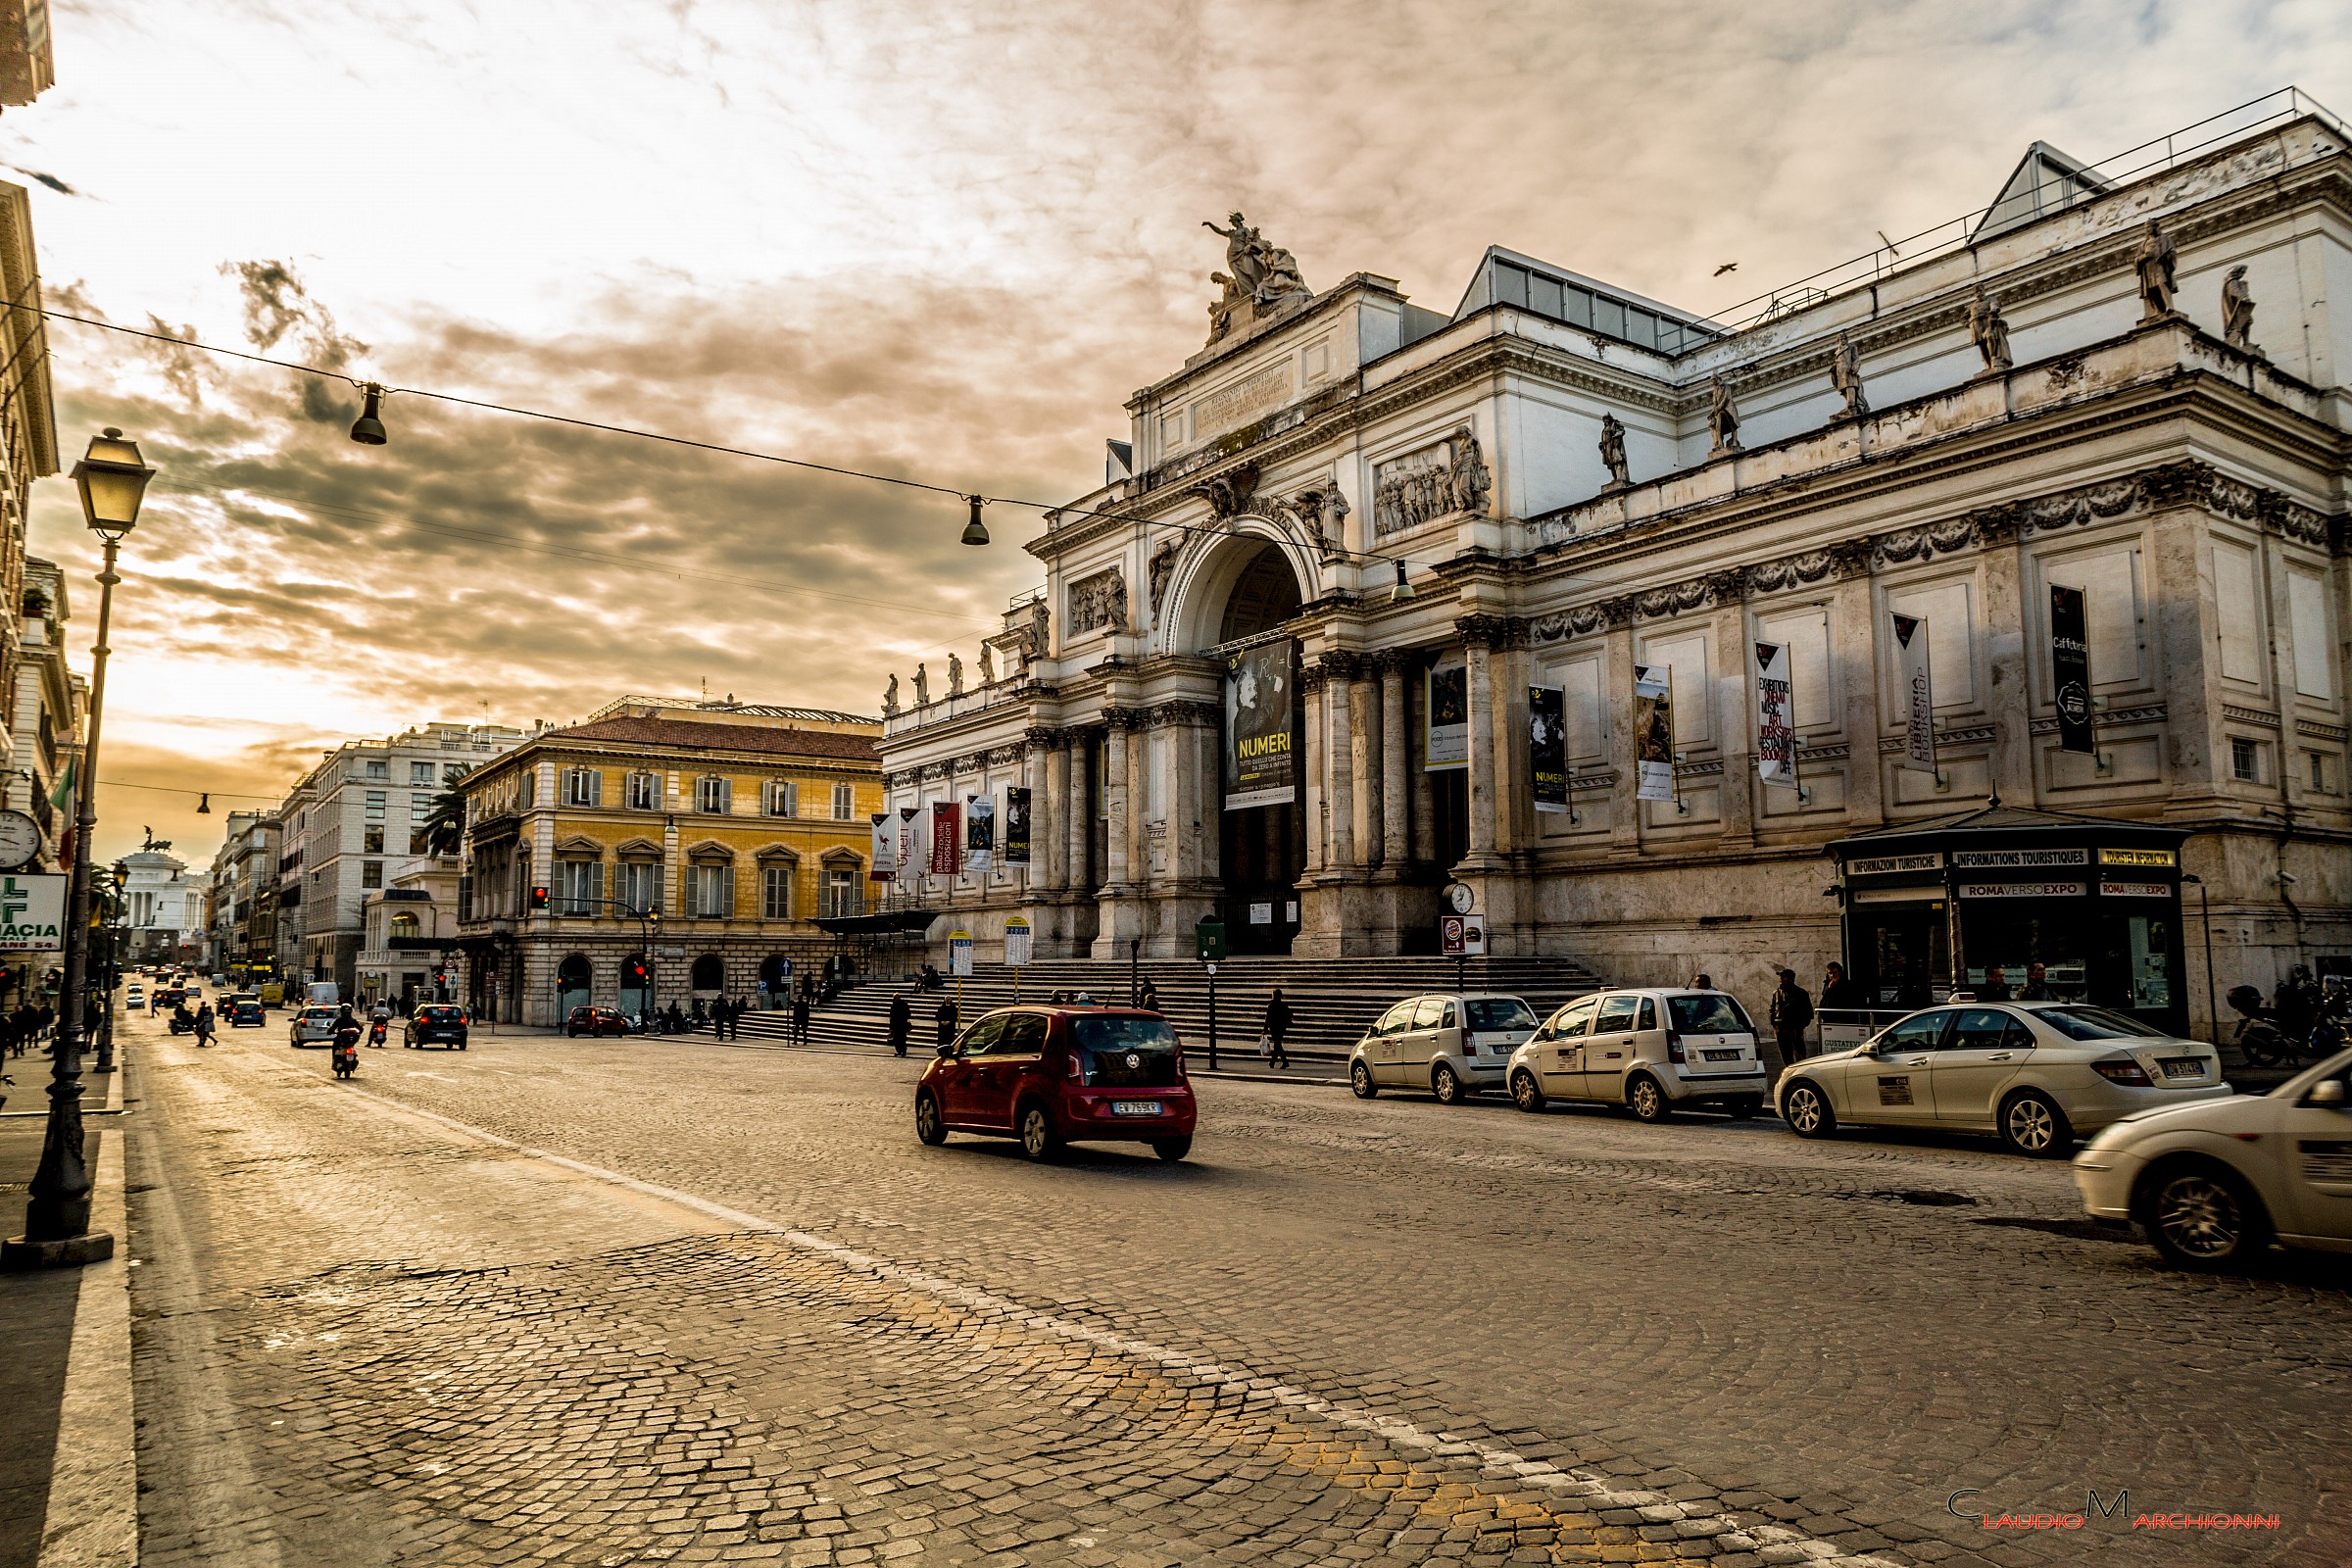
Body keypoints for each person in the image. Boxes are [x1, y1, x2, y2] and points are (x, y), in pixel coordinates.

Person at [1768, 968, 1813, 1068]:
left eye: (1783, 977)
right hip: (1780, 1027)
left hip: (1794, 1027)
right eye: (1780, 977)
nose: (1781, 979)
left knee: (1799, 1052)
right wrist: (1774, 1023)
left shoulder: (1801, 993)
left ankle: (1801, 1070)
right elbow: (1772, 1008)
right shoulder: (1776, 993)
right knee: (1785, 1053)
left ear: (1791, 979)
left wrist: (1799, 1026)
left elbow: (1809, 1013)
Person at [1263, 987, 1293, 1070]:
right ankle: (1272, 1062)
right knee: (1277, 1044)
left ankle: (1285, 1062)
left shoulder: (1271, 1006)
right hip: (1282, 1028)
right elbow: (1290, 1014)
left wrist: (1265, 1029)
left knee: (1278, 1045)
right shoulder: (1284, 1005)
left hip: (1274, 1028)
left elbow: (1267, 1019)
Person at [888, 991, 912, 1056]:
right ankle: (901, 1051)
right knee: (900, 1039)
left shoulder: (895, 1005)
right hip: (900, 1024)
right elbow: (908, 1014)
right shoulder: (903, 1004)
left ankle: (901, 1051)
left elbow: (892, 1016)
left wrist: (891, 1026)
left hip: (898, 1024)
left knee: (899, 1039)